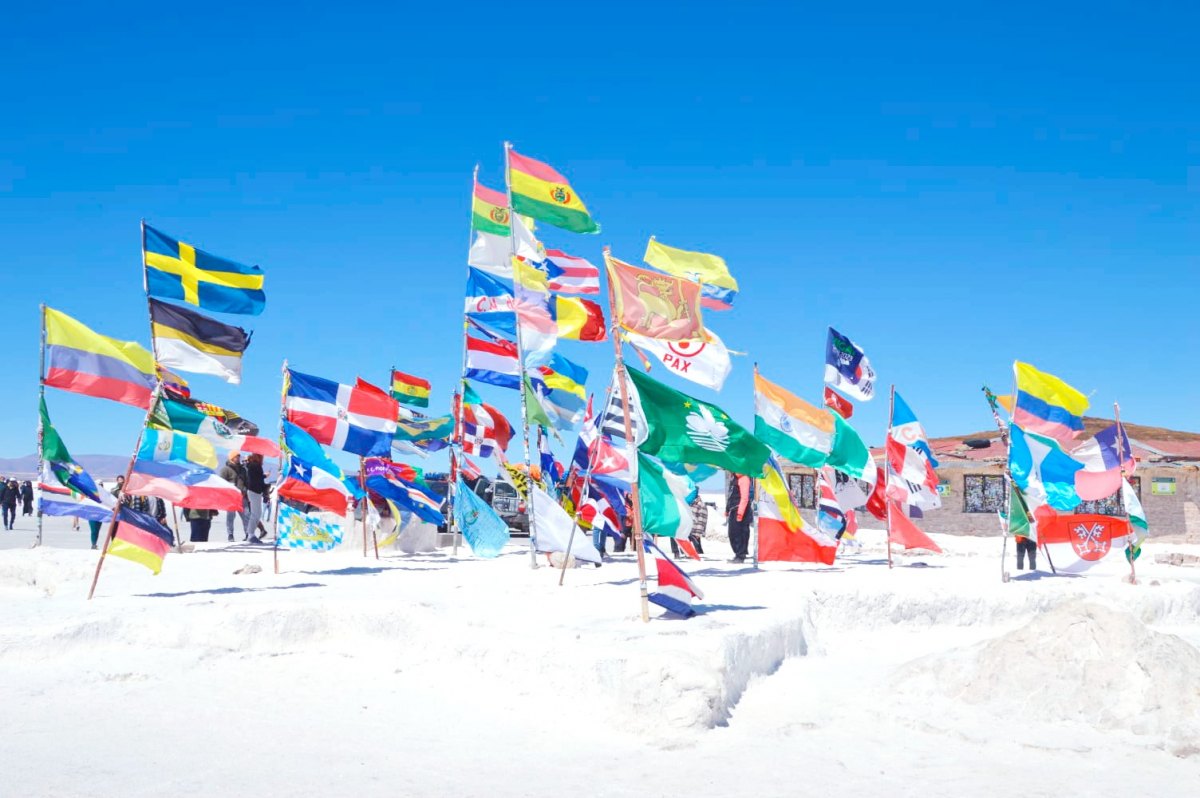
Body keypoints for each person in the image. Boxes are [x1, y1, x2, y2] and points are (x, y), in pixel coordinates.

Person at [218, 452, 249, 543]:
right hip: (231, 497)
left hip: (242, 496)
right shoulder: (225, 469)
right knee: (231, 516)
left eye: (239, 456)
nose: (238, 458)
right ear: (231, 458)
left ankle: (248, 533)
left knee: (246, 515)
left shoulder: (243, 470)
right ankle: (230, 534)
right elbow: (221, 483)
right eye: (236, 457)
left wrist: (245, 490)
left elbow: (247, 482)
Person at [726, 473, 753, 563]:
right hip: (733, 508)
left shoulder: (744, 478)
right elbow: (731, 495)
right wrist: (727, 508)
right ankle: (738, 553)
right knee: (733, 533)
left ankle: (741, 555)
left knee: (740, 533)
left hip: (741, 509)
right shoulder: (734, 478)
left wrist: (740, 513)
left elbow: (744, 498)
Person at [243, 453, 267, 544]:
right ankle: (250, 534)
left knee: (257, 513)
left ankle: (251, 534)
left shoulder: (253, 466)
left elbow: (257, 478)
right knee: (255, 514)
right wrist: (265, 485)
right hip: (254, 491)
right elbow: (257, 480)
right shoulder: (255, 466)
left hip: (255, 491)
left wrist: (264, 479)